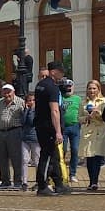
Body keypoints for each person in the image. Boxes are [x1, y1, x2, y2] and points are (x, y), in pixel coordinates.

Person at [33, 60, 69, 195]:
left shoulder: (40, 85)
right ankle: (42, 185)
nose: (62, 74)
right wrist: (58, 131)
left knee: (53, 155)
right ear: (53, 72)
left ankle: (59, 183)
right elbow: (54, 110)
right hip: (48, 126)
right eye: (61, 72)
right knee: (47, 155)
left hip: (40, 124)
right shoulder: (52, 87)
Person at [0, 83, 26, 189]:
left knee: (16, 157)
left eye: (9, 91)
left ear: (13, 92)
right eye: (5, 91)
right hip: (1, 132)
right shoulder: (0, 103)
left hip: (15, 131)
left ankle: (18, 181)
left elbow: (24, 117)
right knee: (2, 158)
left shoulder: (20, 102)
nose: (7, 94)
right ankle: (5, 181)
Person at [80, 80, 105, 191]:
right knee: (89, 156)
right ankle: (91, 181)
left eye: (94, 88)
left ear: (98, 89)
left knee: (97, 156)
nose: (92, 91)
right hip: (87, 131)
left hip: (99, 131)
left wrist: (98, 113)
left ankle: (95, 182)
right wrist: (86, 118)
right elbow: (79, 118)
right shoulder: (83, 103)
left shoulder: (103, 101)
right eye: (90, 88)